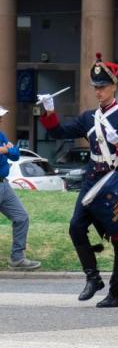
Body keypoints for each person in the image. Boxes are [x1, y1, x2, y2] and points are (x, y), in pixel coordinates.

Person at [37, 52, 118, 303]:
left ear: (114, 86)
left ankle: (116, 291)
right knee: (76, 227)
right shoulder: (88, 117)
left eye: (103, 87)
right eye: (96, 87)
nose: (98, 92)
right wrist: (49, 110)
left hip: (116, 177)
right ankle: (92, 277)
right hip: (92, 178)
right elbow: (58, 133)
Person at [0, 112, 39, 271]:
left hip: (4, 184)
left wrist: (7, 150)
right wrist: (5, 150)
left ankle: (17, 259)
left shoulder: (1, 134)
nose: (2, 119)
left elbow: (15, 155)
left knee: (21, 217)